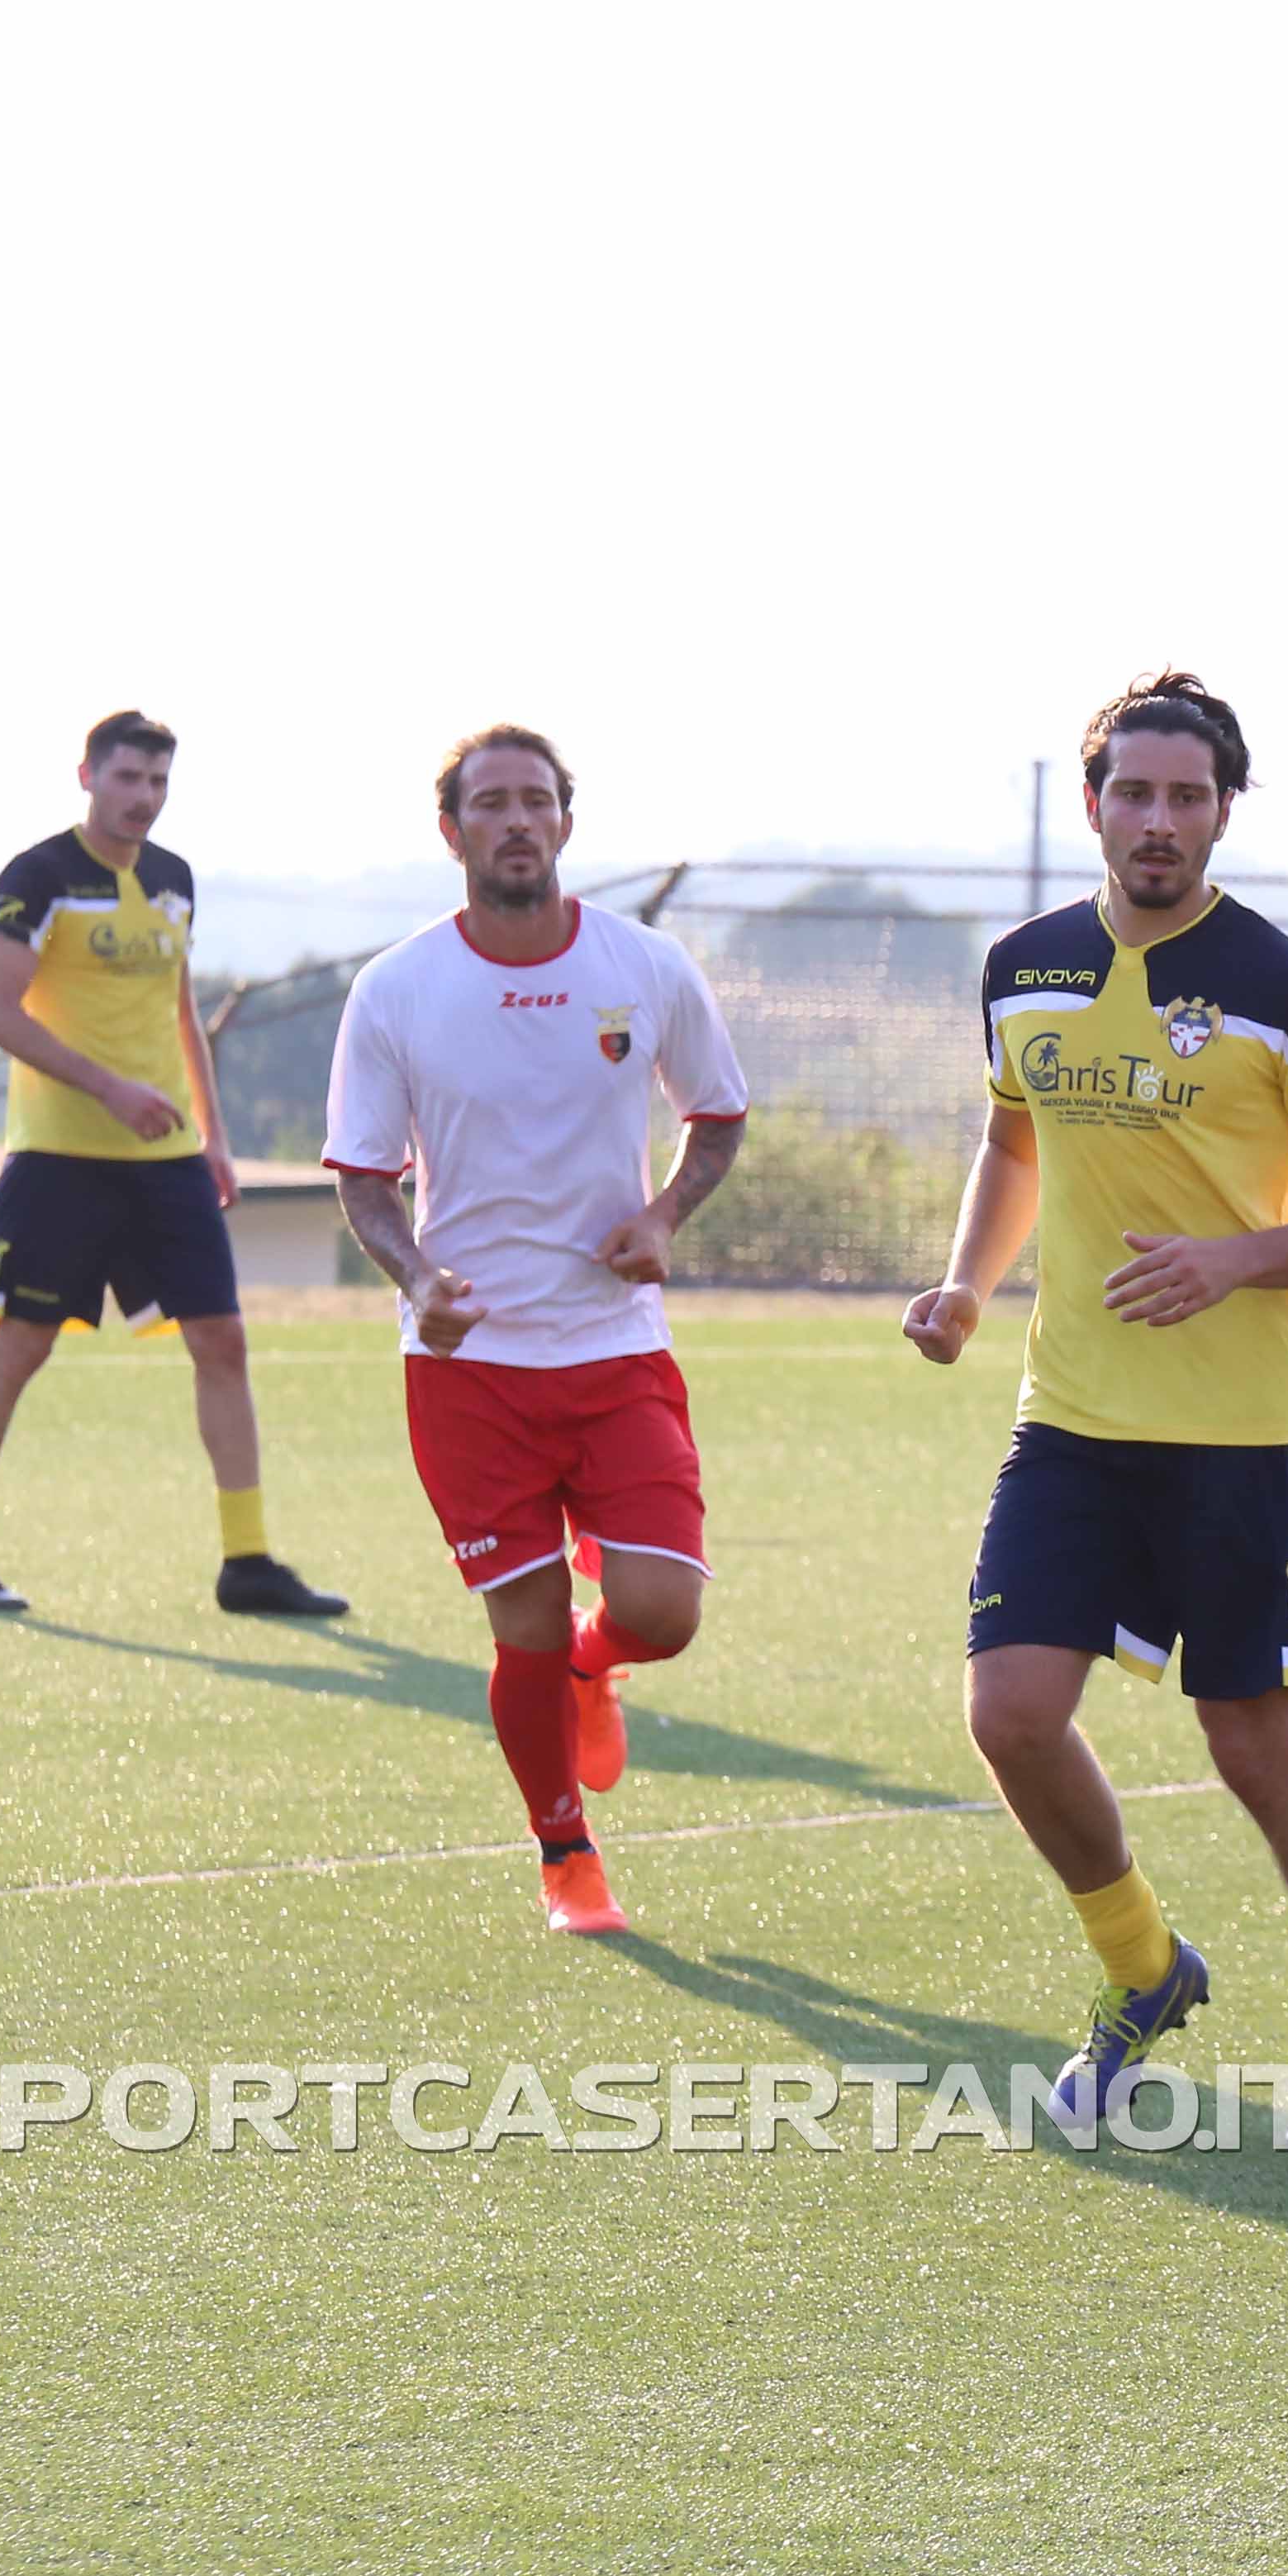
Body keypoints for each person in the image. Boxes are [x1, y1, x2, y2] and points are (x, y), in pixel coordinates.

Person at [903, 672, 1288, 2146]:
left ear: (1220, 812)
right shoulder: (1022, 966)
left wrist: (1234, 1261)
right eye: (1131, 792)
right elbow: (1013, 1146)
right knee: (1009, 1712)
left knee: (1251, 1745)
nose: (1156, 820)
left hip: (1242, 1433)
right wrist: (962, 1286)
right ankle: (1144, 1966)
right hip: (1070, 1414)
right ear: (1094, 806)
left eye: (1185, 796)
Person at [322, 725, 749, 1935]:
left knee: (663, 1614)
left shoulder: (647, 966)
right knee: (520, 1624)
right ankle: (568, 1859)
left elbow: (717, 1117)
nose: (516, 822)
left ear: (567, 821)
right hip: (469, 1374)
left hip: (617, 1350)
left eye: (537, 803)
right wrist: (417, 1277)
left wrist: (665, 1215)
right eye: (490, 805)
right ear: (450, 831)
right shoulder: (397, 987)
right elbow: (363, 1176)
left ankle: (595, 1661)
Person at [0, 709, 346, 1621]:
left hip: (169, 1164)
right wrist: (109, 1089)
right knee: (22, 1347)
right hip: (58, 1160)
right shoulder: (37, 878)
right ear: (86, 775)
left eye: (158, 784)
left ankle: (248, 1563)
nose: (144, 800)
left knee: (223, 1342)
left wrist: (216, 1136)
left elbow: (180, 1013)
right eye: (127, 780)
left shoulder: (172, 881)